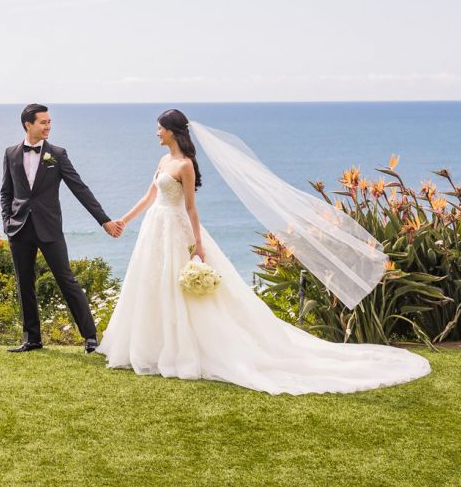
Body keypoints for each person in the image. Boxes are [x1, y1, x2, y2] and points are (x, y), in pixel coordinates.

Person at [97, 109, 431, 395]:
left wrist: (197, 245)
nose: (156, 132)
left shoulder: (184, 165)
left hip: (176, 228)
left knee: (181, 289)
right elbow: (149, 196)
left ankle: (186, 349)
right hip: (155, 227)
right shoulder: (162, 159)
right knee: (152, 284)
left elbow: (192, 209)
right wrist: (123, 221)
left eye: (160, 127)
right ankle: (151, 345)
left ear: (171, 131)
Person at [0, 103, 123, 354]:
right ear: (28, 124)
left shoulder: (57, 153)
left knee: (67, 280)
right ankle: (32, 339)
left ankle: (90, 337)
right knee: (25, 283)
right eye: (43, 122)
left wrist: (104, 220)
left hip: (49, 228)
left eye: (49, 122)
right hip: (19, 228)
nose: (48, 126)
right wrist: (7, 221)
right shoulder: (11, 153)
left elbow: (80, 188)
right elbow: (6, 192)